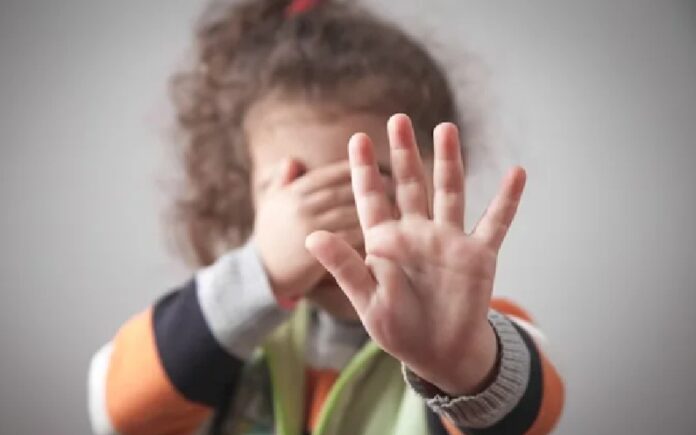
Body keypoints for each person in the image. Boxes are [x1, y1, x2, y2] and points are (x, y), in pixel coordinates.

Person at [87, 0, 565, 434]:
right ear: (247, 194)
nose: (329, 230)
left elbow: (527, 419)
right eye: (298, 191)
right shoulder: (220, 332)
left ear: (441, 172)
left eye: (372, 182)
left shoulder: (468, 328)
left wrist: (460, 364)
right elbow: (119, 414)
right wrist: (259, 273)